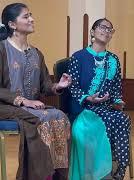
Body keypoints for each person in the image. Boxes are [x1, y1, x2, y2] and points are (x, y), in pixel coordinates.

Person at [0, 3, 72, 180]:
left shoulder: (36, 54)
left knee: (60, 116)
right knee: (41, 119)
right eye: (26, 16)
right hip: (6, 106)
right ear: (12, 24)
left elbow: (44, 86)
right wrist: (23, 101)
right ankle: (38, 176)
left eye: (30, 15)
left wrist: (58, 86)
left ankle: (56, 175)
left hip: (31, 107)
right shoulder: (2, 49)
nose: (31, 19)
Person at [68, 18, 131, 180]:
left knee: (123, 118)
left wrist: (117, 102)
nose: (106, 31)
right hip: (84, 108)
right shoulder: (78, 57)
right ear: (92, 32)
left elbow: (116, 88)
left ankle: (117, 169)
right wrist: (88, 98)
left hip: (106, 108)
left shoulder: (114, 59)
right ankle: (100, 173)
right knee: (107, 120)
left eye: (110, 29)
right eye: (102, 27)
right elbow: (72, 87)